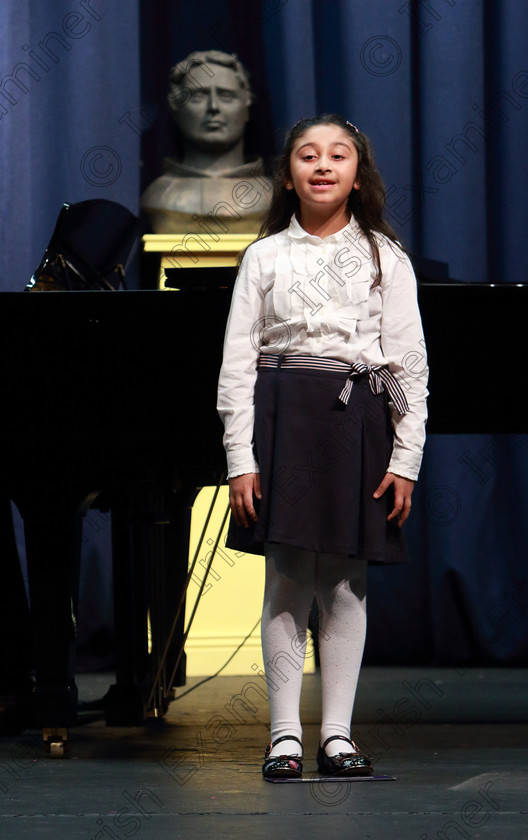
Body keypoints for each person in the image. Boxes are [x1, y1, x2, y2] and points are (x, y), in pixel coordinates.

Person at [217, 114, 428, 779]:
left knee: (342, 580)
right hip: (284, 418)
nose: (323, 165)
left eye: (339, 155)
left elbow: (408, 367)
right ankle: (284, 736)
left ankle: (336, 735)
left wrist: (405, 459)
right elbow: (236, 366)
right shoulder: (264, 257)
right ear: (288, 175)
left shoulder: (384, 258)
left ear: (357, 176)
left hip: (355, 423)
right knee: (287, 576)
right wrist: (240, 457)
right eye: (308, 155)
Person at [141, 50, 271, 234]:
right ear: (176, 107)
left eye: (226, 96)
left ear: (246, 106)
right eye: (198, 96)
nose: (214, 107)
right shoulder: (158, 196)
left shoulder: (272, 198)